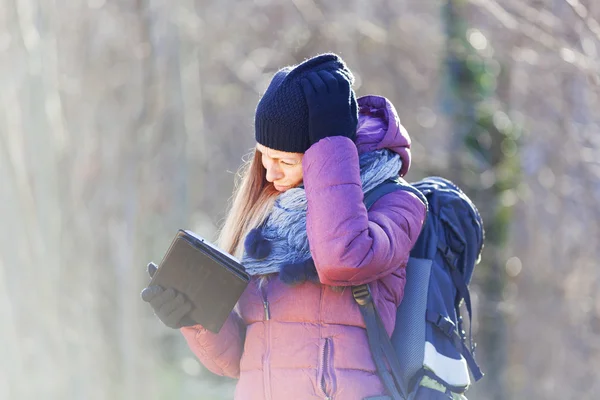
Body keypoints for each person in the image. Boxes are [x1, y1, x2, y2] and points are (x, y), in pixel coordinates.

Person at [141, 53, 426, 400]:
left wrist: (332, 143)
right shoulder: (267, 214)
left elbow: (343, 259)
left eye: (285, 161)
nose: (270, 173)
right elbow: (238, 362)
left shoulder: (395, 202)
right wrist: (194, 316)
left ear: (325, 152)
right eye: (263, 155)